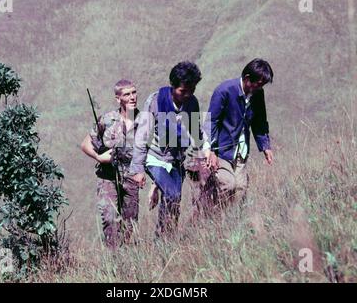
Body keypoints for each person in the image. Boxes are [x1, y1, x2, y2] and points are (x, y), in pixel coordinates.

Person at [129, 61, 217, 236]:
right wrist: (137, 169)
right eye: (182, 91)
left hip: (176, 159)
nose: (187, 95)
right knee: (172, 194)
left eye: (191, 91)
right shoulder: (155, 101)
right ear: (172, 86)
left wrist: (207, 150)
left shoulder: (192, 103)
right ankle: (161, 237)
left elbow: (195, 130)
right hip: (155, 158)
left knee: (174, 199)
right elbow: (141, 136)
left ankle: (167, 237)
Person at [205, 58, 274, 210]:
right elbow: (211, 121)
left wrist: (265, 146)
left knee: (240, 190)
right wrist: (211, 150)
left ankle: (231, 225)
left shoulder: (258, 95)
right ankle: (214, 218)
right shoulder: (224, 91)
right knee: (228, 185)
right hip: (221, 151)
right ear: (248, 79)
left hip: (241, 152)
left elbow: (260, 121)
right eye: (259, 83)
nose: (260, 87)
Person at [81, 79, 140, 248]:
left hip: (131, 178)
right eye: (127, 94)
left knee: (130, 224)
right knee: (109, 219)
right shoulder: (107, 120)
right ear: (118, 98)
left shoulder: (144, 121)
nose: (132, 97)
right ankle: (113, 262)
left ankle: (130, 261)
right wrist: (99, 157)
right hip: (108, 177)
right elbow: (85, 145)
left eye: (134, 93)